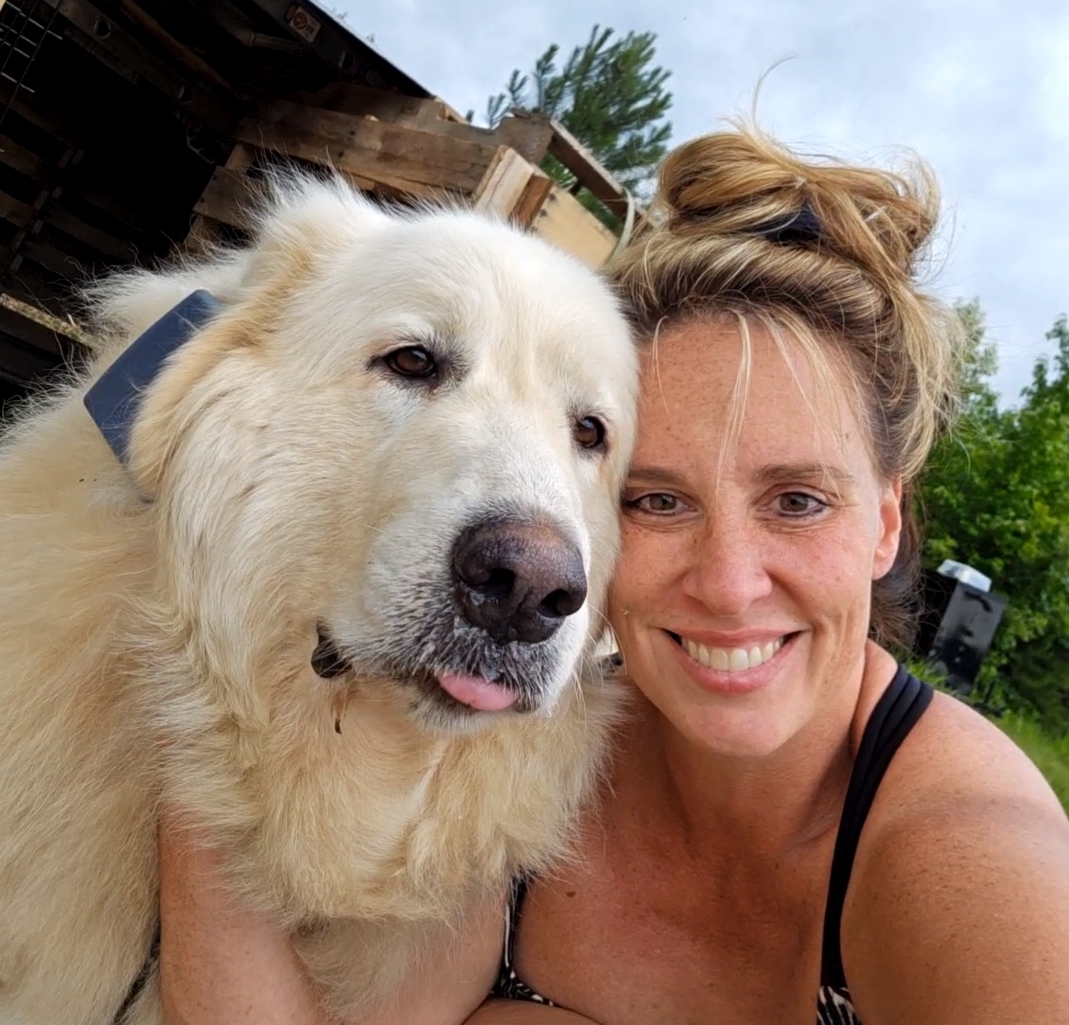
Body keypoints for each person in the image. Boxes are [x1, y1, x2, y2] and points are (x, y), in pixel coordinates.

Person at [159, 125, 1069, 1025]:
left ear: (885, 524)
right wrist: (209, 636)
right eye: (657, 499)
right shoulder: (530, 745)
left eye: (797, 500)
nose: (727, 585)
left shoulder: (978, 863)